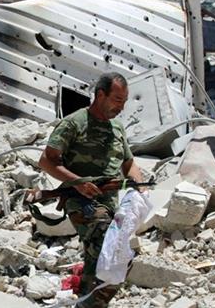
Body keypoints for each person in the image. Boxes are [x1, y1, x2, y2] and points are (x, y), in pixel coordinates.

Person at [37, 72, 143, 308]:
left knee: (110, 261)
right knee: (110, 249)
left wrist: (138, 189)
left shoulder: (117, 128)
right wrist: (78, 182)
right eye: (117, 100)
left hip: (110, 205)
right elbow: (46, 161)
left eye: (124, 102)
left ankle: (89, 302)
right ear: (100, 95)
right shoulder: (75, 123)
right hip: (81, 202)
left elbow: (128, 163)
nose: (121, 107)